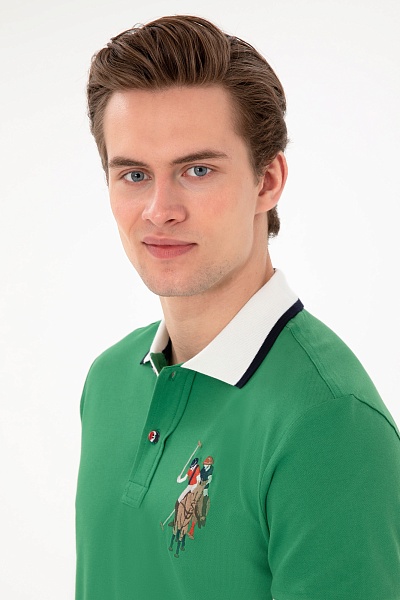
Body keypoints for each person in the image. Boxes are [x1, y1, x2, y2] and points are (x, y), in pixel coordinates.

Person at [75, 15, 400, 600]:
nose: (159, 209)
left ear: (267, 180)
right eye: (134, 174)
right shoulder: (108, 380)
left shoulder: (330, 423)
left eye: (197, 170)